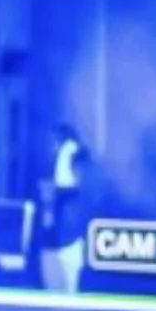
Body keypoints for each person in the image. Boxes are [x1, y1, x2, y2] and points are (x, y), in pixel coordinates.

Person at [32, 127, 91, 296]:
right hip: (49, 244)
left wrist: (67, 152)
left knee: (68, 294)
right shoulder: (46, 169)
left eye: (55, 142)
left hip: (68, 243)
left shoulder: (77, 158)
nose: (51, 148)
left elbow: (72, 185)